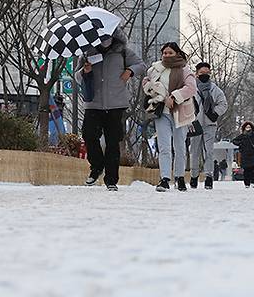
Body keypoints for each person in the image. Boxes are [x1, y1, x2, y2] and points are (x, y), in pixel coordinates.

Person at [74, 28, 146, 191]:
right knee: (89, 135)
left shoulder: (123, 52)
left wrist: (130, 71)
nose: (104, 40)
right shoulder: (87, 52)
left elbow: (141, 65)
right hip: (93, 103)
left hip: (116, 104)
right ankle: (97, 167)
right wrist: (85, 71)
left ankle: (111, 179)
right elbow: (76, 76)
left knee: (113, 142)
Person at [142, 42, 197, 192]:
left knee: (179, 146)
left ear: (177, 53)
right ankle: (164, 178)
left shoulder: (185, 70)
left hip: (180, 113)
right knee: (164, 147)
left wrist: (174, 96)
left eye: (170, 53)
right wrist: (155, 92)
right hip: (161, 112)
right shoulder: (156, 69)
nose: (166, 55)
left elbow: (191, 88)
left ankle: (179, 177)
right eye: (164, 53)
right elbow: (146, 82)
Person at [189, 62, 228, 190]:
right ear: (196, 74)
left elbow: (223, 104)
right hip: (194, 124)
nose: (204, 75)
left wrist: (214, 113)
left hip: (210, 124)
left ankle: (209, 177)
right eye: (202, 73)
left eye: (207, 73)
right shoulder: (191, 87)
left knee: (209, 152)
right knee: (194, 151)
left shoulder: (215, 89)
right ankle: (194, 176)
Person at [232, 121, 254, 188]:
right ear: (244, 128)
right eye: (247, 127)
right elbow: (234, 141)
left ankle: (253, 181)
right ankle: (247, 183)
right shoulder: (242, 136)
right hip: (245, 155)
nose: (248, 128)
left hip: (252, 154)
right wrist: (240, 143)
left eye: (249, 127)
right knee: (246, 170)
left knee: (253, 169)